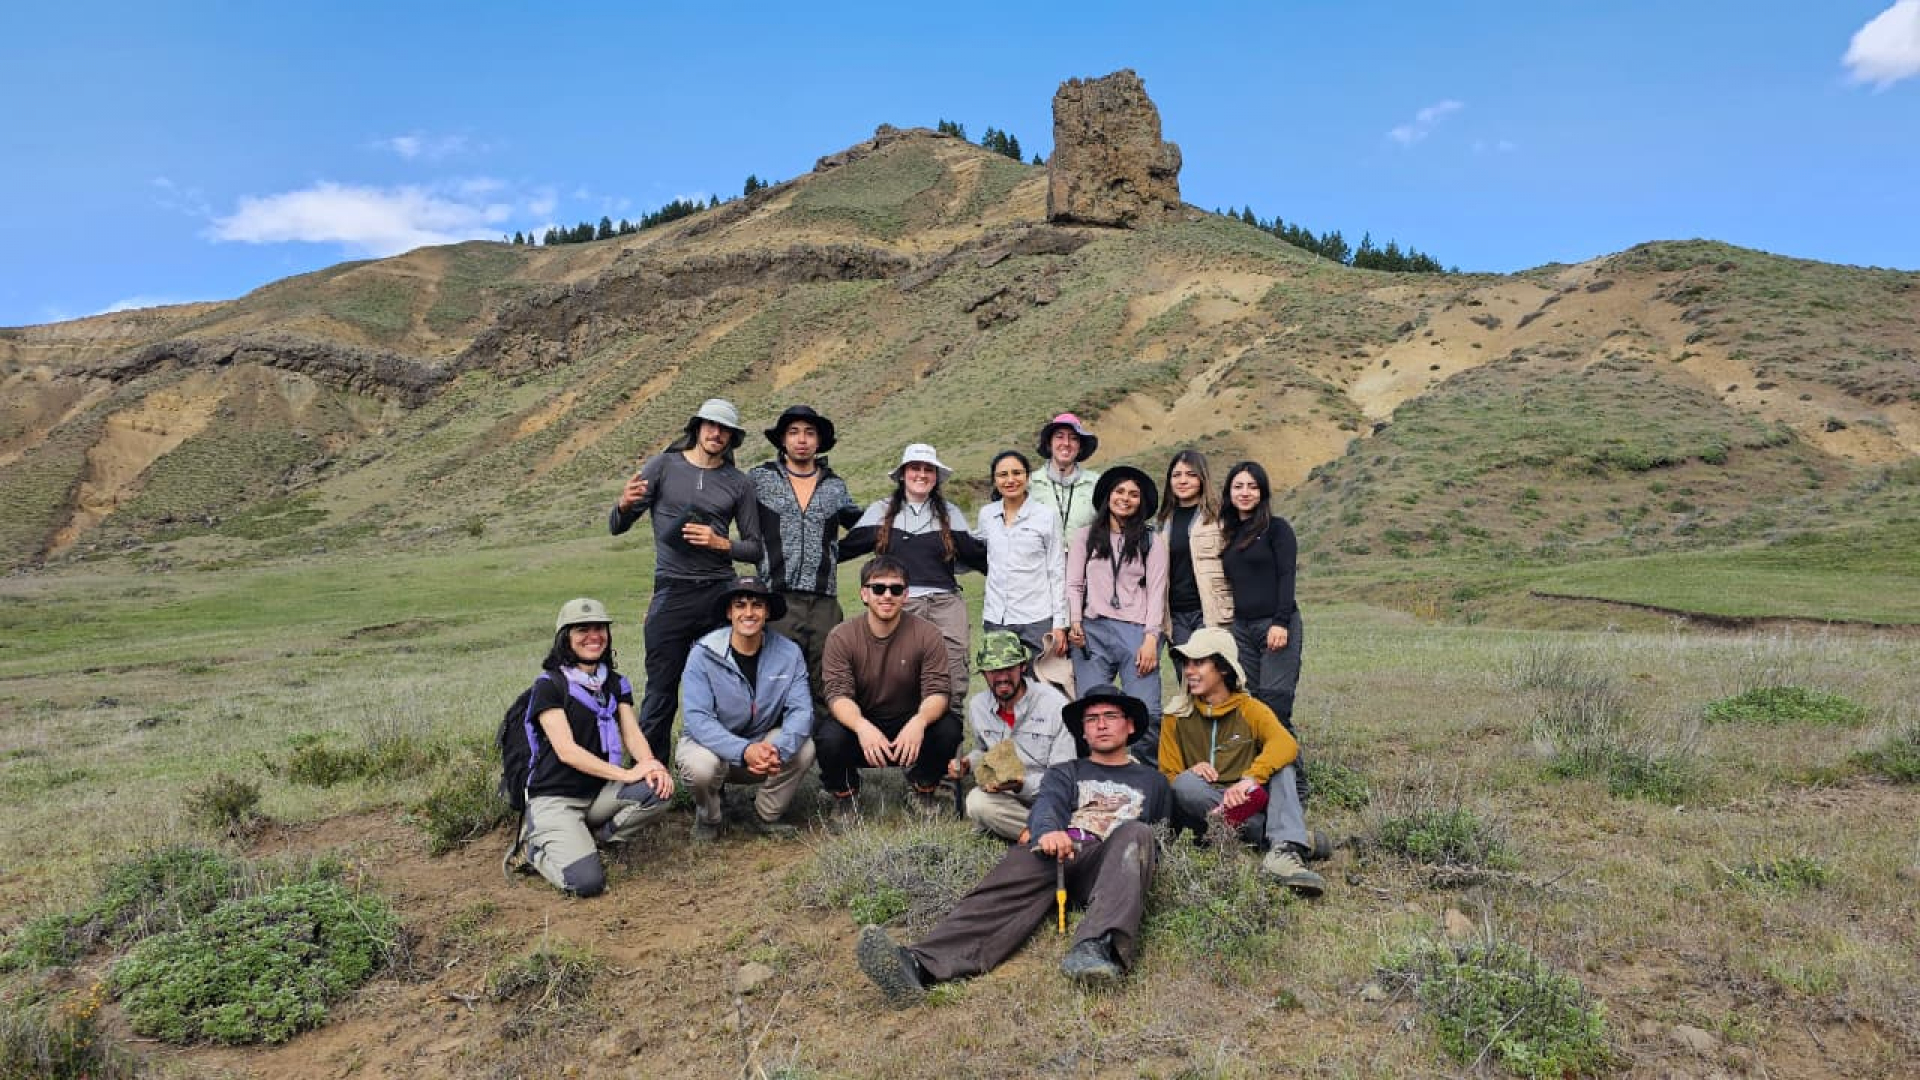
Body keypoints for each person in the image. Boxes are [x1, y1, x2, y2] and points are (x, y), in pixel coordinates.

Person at [855, 684, 1172, 1005]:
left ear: (1129, 725)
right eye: (1091, 719)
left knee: (1137, 834)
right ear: (1083, 732)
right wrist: (1047, 832)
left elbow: (1161, 837)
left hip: (1112, 865)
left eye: (1110, 716)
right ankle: (919, 966)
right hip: (1062, 850)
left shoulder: (1154, 782)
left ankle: (1097, 949)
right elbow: (1048, 804)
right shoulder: (1067, 771)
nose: (1101, 725)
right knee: (1001, 885)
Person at [609, 398, 765, 764]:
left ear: (732, 438)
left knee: (720, 690)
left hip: (718, 593)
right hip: (672, 591)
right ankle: (651, 780)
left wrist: (719, 543)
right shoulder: (664, 466)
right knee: (661, 690)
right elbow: (617, 526)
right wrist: (623, 504)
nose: (716, 433)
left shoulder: (738, 484)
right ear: (697, 427)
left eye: (724, 429)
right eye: (710, 425)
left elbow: (755, 549)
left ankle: (715, 781)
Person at [513, 598, 673, 897]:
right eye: (582, 630)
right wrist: (625, 774)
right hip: (556, 797)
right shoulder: (549, 685)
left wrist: (651, 764)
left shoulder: (615, 683)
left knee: (658, 789)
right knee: (586, 883)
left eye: (599, 628)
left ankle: (598, 838)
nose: (593, 636)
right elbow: (566, 751)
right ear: (565, 638)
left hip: (598, 793)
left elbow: (632, 734)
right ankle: (534, 849)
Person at [1159, 628, 1325, 896]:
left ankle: (1282, 854)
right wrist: (1190, 771)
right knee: (1185, 785)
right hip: (1208, 811)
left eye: (1199, 662)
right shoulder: (1175, 715)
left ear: (1223, 668)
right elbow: (1167, 774)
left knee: (1283, 765)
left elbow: (1286, 744)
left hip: (1250, 804)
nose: (1189, 671)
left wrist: (1249, 780)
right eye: (1186, 663)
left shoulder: (1250, 709)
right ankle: (1289, 837)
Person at [842, 444, 985, 746]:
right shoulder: (881, 511)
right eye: (914, 468)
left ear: (936, 476)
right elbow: (843, 549)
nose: (921, 474)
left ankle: (947, 770)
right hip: (899, 604)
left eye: (928, 469)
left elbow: (977, 555)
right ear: (903, 475)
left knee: (953, 680)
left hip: (946, 603)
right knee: (905, 682)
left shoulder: (950, 514)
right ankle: (910, 761)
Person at [748, 405, 863, 736]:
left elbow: (862, 525)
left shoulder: (834, 486)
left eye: (810, 433)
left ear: (819, 441)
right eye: (794, 432)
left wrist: (835, 553)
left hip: (824, 601)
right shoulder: (760, 479)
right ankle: (777, 759)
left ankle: (829, 765)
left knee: (828, 680)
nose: (802, 440)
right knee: (776, 678)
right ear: (783, 440)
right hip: (776, 597)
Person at [818, 557, 961, 818]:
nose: (887, 595)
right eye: (878, 588)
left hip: (909, 725)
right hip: (862, 725)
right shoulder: (841, 636)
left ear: (905, 595)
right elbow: (837, 695)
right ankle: (844, 795)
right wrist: (862, 727)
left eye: (896, 589)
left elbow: (938, 691)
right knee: (828, 736)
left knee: (949, 727)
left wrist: (919, 722)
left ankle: (922, 787)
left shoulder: (928, 634)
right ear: (864, 593)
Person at [678, 576, 817, 841]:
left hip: (763, 750)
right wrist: (743, 751)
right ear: (730, 613)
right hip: (713, 747)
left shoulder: (789, 653)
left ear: (767, 612)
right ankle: (709, 818)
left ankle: (764, 814)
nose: (749, 613)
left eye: (757, 605)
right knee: (700, 767)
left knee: (805, 747)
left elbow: (801, 711)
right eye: (740, 605)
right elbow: (698, 720)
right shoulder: (702, 654)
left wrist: (778, 749)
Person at [1066, 465, 1168, 760]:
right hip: (1092, 632)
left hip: (1136, 632)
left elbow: (1157, 591)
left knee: (1147, 711)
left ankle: (1145, 778)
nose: (1126, 498)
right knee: (1091, 709)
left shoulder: (1152, 541)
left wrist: (1151, 639)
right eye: (1120, 491)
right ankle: (1094, 776)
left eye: (1133, 494)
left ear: (1142, 502)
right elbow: (1074, 583)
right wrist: (1075, 620)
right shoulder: (1085, 536)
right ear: (1108, 496)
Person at [948, 631, 1076, 841]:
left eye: (1008, 668)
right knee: (977, 802)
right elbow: (984, 751)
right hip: (1006, 796)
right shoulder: (978, 706)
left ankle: (1028, 830)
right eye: (993, 670)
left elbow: (1063, 777)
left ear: (1023, 667)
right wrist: (967, 764)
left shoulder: (1054, 704)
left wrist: (1020, 784)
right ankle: (1042, 834)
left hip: (1048, 794)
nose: (1002, 677)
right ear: (983, 673)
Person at [1217, 460, 1302, 728]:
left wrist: (1280, 622)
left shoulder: (1277, 529)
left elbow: (1287, 576)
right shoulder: (1228, 534)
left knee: (1275, 703)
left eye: (1252, 487)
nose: (1245, 492)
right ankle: (1259, 766)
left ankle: (1289, 769)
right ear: (1229, 493)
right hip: (1241, 629)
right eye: (1238, 486)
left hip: (1274, 624)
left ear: (1262, 492)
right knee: (1251, 703)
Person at [976, 449, 1067, 662]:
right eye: (1003, 475)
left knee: (1044, 686)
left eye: (1017, 473)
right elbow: (979, 554)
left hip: (1037, 617)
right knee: (1003, 685)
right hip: (996, 617)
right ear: (994, 480)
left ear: (1027, 476)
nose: (1010, 480)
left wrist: (1060, 624)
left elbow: (1057, 570)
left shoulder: (1046, 516)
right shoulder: (986, 515)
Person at [1154, 449, 1234, 649]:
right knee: (1188, 676)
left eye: (1191, 475)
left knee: (1215, 674)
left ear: (1202, 478)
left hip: (1211, 611)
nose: (1183, 481)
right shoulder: (1163, 522)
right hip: (1176, 616)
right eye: (1176, 475)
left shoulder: (1220, 518)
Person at [1029, 412, 1102, 543]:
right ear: (1049, 444)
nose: (1066, 443)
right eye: (1059, 437)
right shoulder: (1029, 484)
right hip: (1040, 562)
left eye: (1074, 438)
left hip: (1084, 562)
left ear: (1080, 447)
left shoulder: (1097, 484)